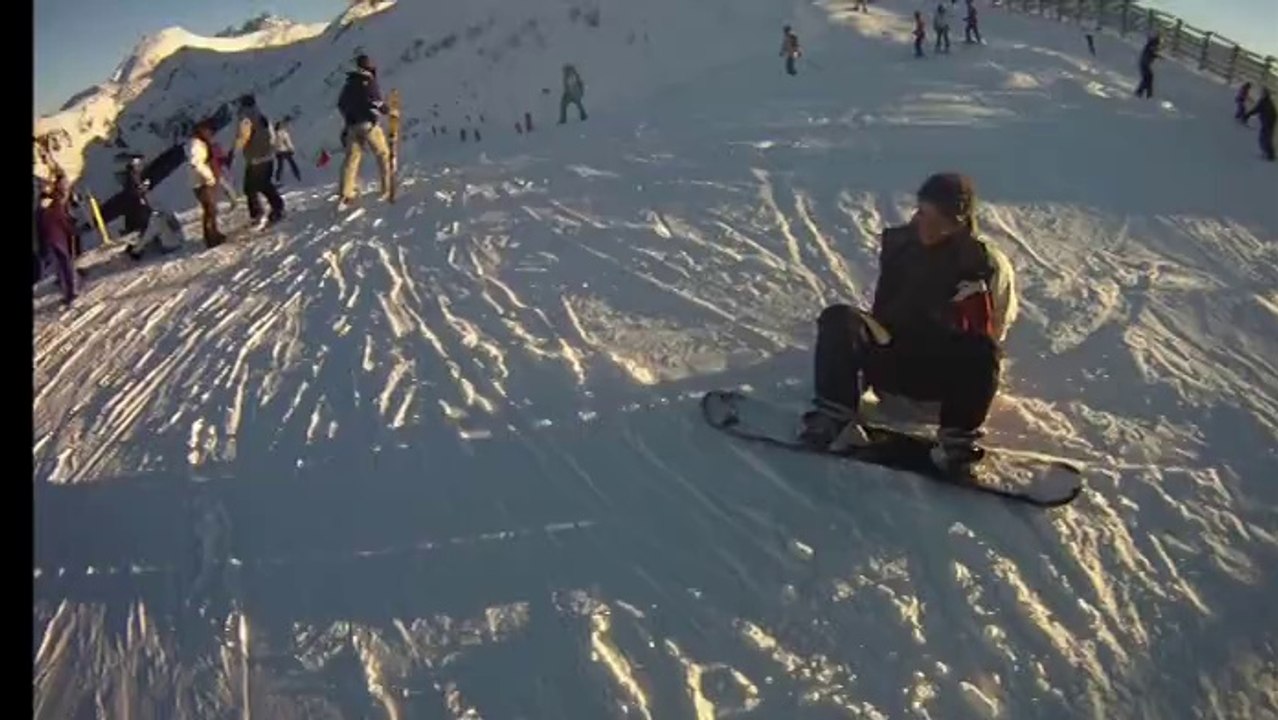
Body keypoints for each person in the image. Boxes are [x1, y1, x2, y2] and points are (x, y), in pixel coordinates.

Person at [800, 173, 1017, 473]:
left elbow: (998, 324)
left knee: (984, 348)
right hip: (893, 362)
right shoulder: (902, 245)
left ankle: (956, 444)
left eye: (937, 218)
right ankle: (833, 417)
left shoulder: (985, 263)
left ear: (958, 221)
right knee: (841, 319)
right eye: (922, 213)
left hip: (944, 381)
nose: (924, 224)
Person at [336, 54, 394, 211]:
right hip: (368, 124)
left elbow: (341, 104)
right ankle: (387, 187)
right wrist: (387, 110)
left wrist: (349, 117)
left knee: (352, 159)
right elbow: (375, 101)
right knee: (383, 154)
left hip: (352, 126)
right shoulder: (368, 81)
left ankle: (346, 193)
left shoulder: (349, 83)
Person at [231, 94, 285, 229]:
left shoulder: (246, 119)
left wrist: (232, 153)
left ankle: (258, 214)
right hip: (268, 157)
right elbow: (272, 136)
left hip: (255, 159)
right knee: (264, 184)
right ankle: (277, 208)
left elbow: (242, 138)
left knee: (250, 188)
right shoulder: (263, 117)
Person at [35, 179, 79, 306]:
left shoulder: (54, 199)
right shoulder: (50, 200)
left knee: (63, 262)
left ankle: (70, 291)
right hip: (54, 235)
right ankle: (69, 290)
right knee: (63, 262)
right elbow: (49, 218)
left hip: (57, 235)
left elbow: (59, 216)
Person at [187, 120, 228, 248]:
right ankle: (211, 238)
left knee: (211, 210)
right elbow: (196, 163)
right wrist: (209, 177)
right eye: (207, 130)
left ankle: (213, 234)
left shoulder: (201, 143)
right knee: (210, 210)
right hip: (201, 182)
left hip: (201, 181)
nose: (209, 132)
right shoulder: (196, 144)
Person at [1243, 86, 1276, 161]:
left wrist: (1247, 115)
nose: (1261, 94)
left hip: (1267, 122)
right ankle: (1269, 153)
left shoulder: (1264, 102)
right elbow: (1274, 113)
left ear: (1265, 94)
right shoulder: (1268, 102)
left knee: (1264, 138)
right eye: (1261, 92)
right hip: (1268, 122)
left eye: (1262, 93)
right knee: (1266, 137)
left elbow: (1256, 109)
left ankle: (1269, 154)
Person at [273, 118, 301, 183]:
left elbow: (275, 143)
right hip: (284, 151)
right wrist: (291, 149)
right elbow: (288, 142)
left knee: (281, 166)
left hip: (280, 151)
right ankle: (297, 176)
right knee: (290, 164)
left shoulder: (276, 134)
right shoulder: (282, 133)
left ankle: (278, 179)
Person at [1134, 35, 1159, 99]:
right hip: (1144, 65)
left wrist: (1156, 56)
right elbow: (1149, 54)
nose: (1156, 47)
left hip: (1144, 64)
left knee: (1149, 77)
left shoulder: (1150, 47)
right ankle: (1141, 92)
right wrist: (1154, 57)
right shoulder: (1150, 47)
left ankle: (1147, 93)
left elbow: (1151, 54)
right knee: (1147, 78)